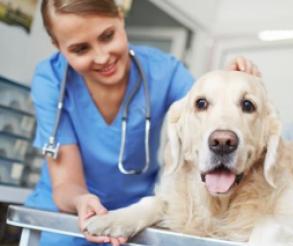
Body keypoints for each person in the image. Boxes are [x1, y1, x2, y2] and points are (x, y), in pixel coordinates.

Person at [24, 0, 259, 245]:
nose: (102, 57)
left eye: (107, 36)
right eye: (81, 49)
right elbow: (65, 183)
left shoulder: (164, 72)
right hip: (70, 215)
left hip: (135, 218)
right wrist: (81, 201)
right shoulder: (51, 80)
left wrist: (230, 84)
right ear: (58, 46)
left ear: (120, 16)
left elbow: (205, 110)